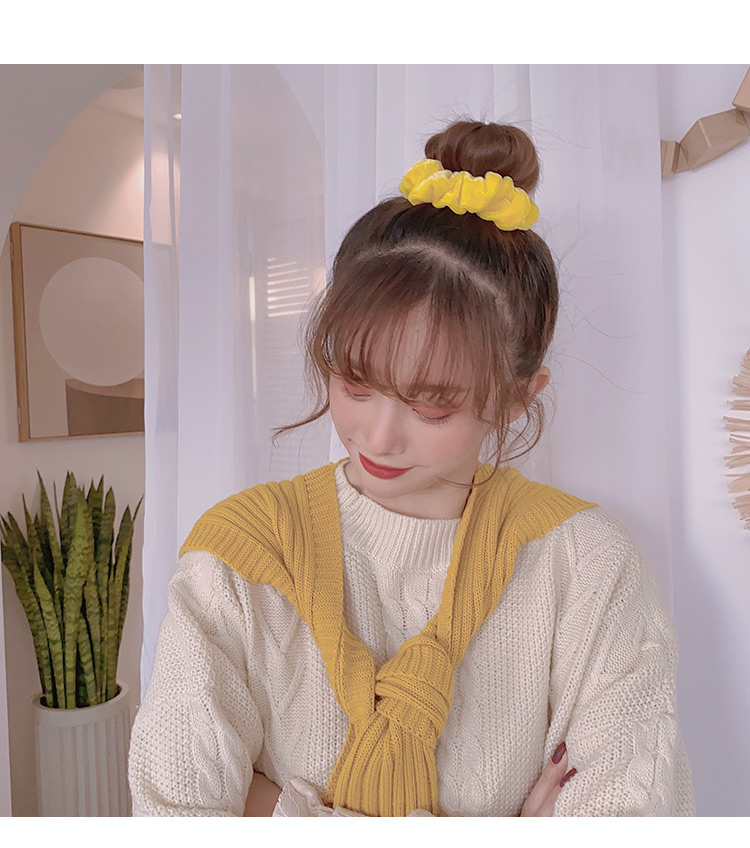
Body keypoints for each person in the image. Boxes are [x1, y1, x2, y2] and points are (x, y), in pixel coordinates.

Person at [128, 120, 696, 817]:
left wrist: (281, 810)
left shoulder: (587, 564)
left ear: (517, 398)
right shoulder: (241, 553)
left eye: (432, 404)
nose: (377, 435)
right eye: (355, 381)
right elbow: (173, 812)